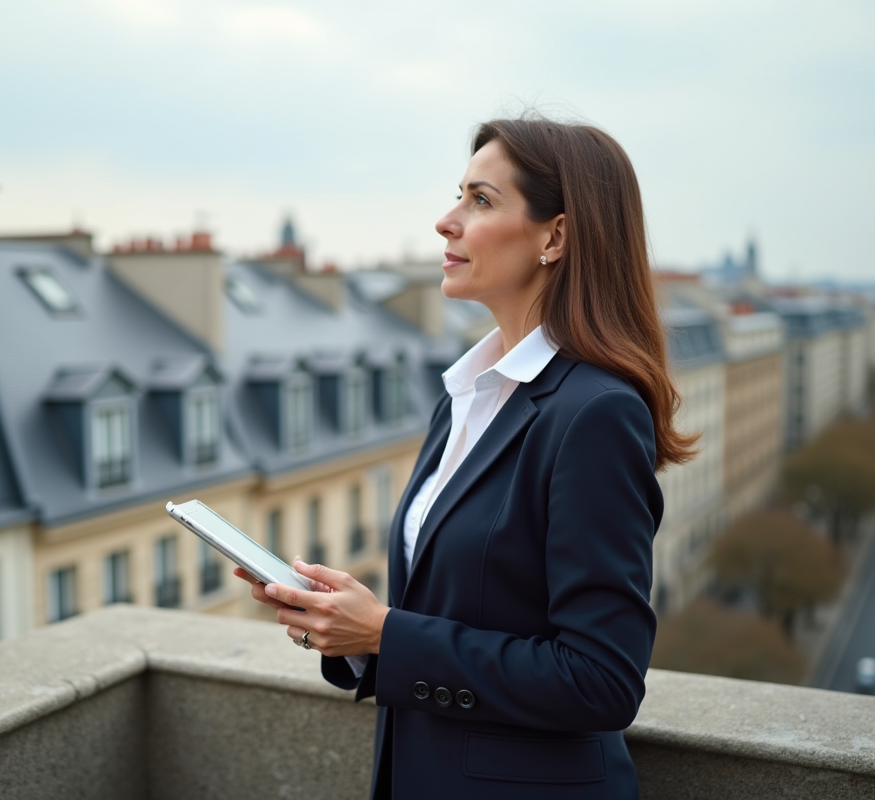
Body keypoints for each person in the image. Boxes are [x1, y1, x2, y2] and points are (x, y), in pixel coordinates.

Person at [236, 115, 696, 799]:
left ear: (556, 235)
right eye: (459, 195)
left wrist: (387, 634)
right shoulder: (464, 396)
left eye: (480, 200)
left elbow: (601, 680)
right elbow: (458, 616)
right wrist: (349, 633)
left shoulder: (595, 414)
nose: (445, 222)